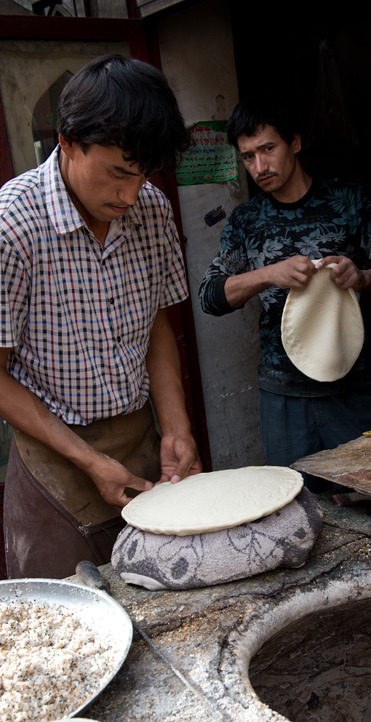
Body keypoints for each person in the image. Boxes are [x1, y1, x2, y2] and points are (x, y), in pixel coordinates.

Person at [0, 54, 202, 579]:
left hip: (138, 441)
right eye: (116, 173)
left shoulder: (151, 210)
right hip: (55, 458)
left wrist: (176, 429)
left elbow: (158, 327)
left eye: (142, 176)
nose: (130, 195)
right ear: (66, 142)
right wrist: (89, 461)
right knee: (74, 631)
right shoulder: (12, 226)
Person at [199, 95, 371, 490]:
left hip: (352, 387)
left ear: (295, 143)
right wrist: (268, 274)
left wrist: (363, 277)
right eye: (248, 157)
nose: (259, 166)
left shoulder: (349, 202)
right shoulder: (246, 221)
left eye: (268, 149)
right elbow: (211, 296)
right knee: (295, 507)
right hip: (283, 396)